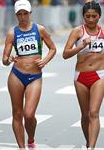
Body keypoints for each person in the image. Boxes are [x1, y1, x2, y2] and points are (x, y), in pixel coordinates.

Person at [63, 1, 104, 149]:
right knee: (85, 115)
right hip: (80, 76)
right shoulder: (77, 32)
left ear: (99, 16)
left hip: (99, 75)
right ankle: (89, 142)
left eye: (93, 16)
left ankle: (91, 148)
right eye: (87, 16)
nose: (90, 19)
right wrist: (81, 45)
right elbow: (65, 54)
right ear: (83, 16)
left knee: (94, 112)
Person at [2, 0, 56, 149]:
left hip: (34, 77)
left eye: (25, 13)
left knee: (29, 114)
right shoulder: (12, 33)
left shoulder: (40, 30)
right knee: (17, 114)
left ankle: (31, 140)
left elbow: (52, 48)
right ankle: (22, 147)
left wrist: (44, 61)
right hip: (16, 75)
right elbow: (4, 60)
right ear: (16, 15)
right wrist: (9, 59)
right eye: (19, 14)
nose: (23, 17)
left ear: (30, 13)